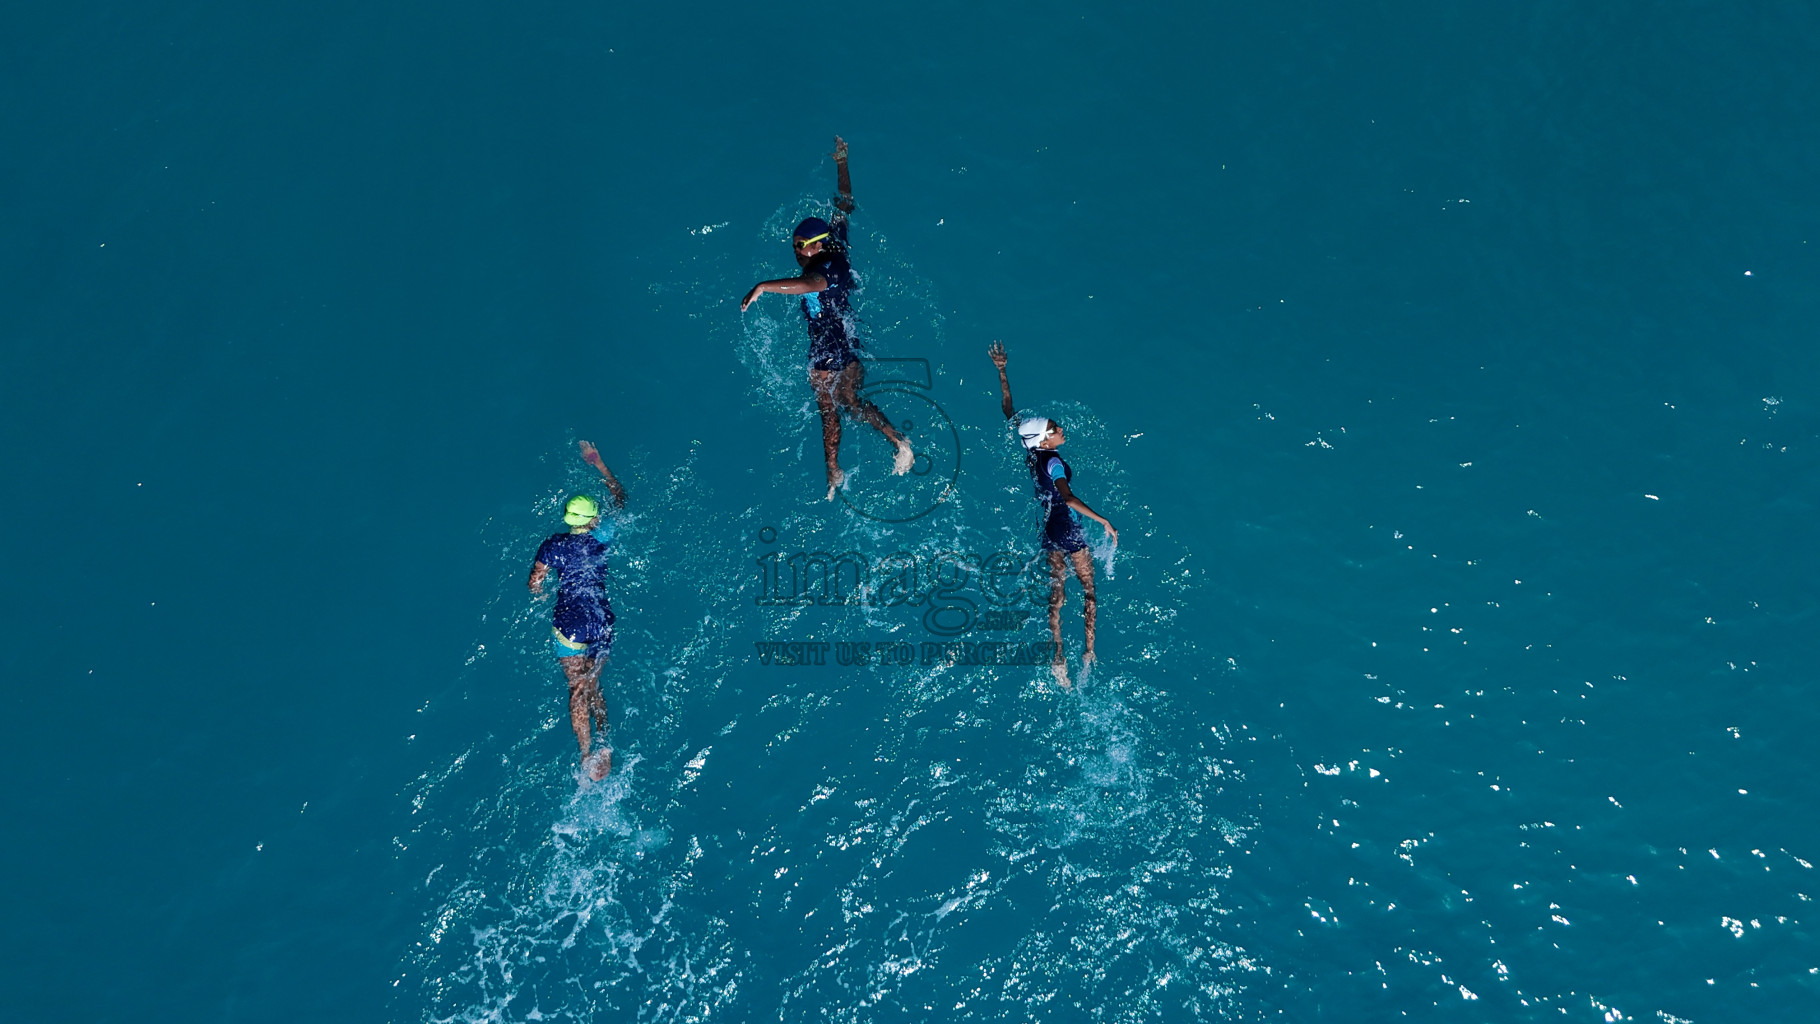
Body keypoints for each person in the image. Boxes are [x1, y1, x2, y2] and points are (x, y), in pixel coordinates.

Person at [741, 136, 914, 500]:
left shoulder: (825, 269)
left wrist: (762, 287)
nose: (797, 253)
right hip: (834, 342)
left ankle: (871, 453)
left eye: (800, 247)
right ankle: (860, 458)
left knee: (839, 405)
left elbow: (808, 285)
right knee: (839, 407)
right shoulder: (835, 244)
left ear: (816, 245)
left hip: (834, 345)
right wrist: (842, 164)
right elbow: (844, 205)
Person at [988, 341, 1117, 687]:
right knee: (1089, 589)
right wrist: (1102, 520)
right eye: (1055, 429)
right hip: (1066, 522)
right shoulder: (1055, 461)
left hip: (1047, 526)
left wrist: (1002, 371)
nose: (1062, 431)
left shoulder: (1032, 453)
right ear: (1045, 440)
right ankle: (1089, 651)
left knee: (1056, 595)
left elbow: (1009, 413)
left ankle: (1058, 657)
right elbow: (1069, 498)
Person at [527, 440, 627, 780]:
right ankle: (604, 742)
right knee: (594, 684)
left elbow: (535, 584)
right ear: (593, 519)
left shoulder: (553, 545)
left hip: (569, 627)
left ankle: (586, 755)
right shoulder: (603, 536)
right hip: (600, 621)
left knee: (577, 689)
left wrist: (541, 599)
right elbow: (621, 499)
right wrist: (599, 465)